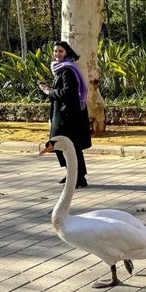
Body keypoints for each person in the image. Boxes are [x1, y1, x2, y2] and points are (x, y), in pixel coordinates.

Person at [39, 41, 92, 188]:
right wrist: (49, 89)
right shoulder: (61, 69)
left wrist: (49, 92)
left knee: (66, 146)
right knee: (63, 146)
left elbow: (68, 93)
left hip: (68, 116)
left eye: (60, 51)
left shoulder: (68, 70)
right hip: (62, 114)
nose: (57, 54)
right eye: (55, 51)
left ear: (67, 52)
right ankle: (73, 174)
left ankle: (78, 177)